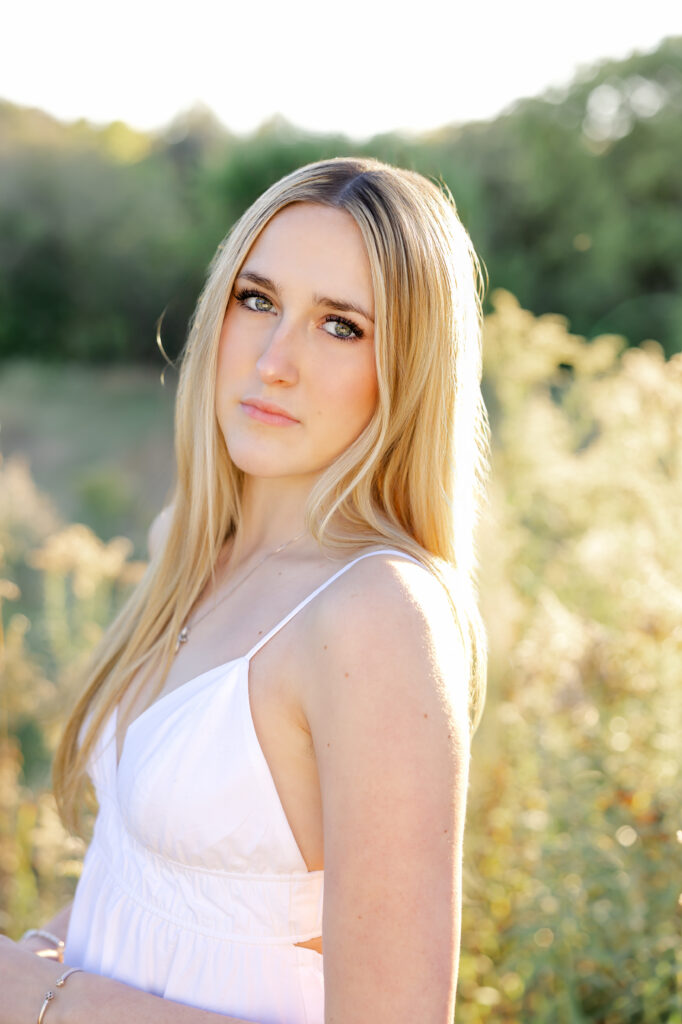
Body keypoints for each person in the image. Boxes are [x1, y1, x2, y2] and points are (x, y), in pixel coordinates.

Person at [0, 156, 490, 1023]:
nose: (272, 361)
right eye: (256, 300)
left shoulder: (373, 616)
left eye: (341, 327)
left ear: (409, 370)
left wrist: (46, 998)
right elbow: (159, 890)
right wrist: (37, 953)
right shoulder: (189, 547)